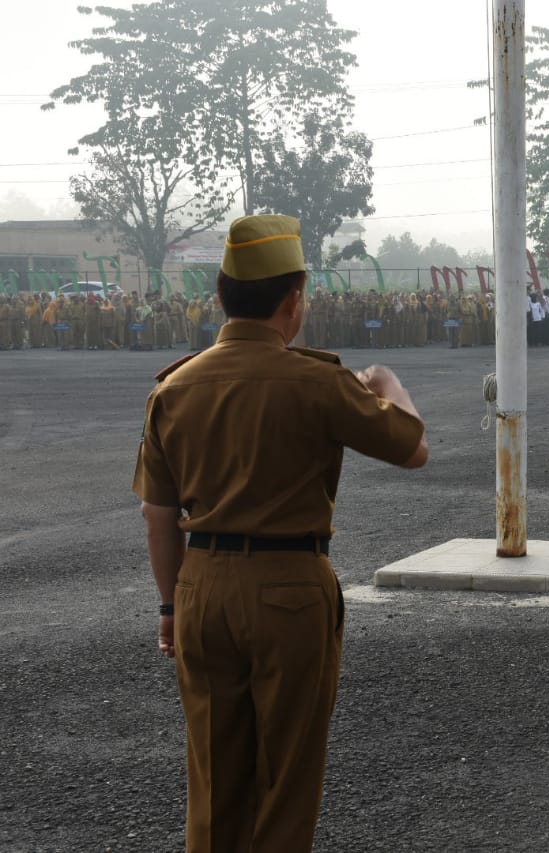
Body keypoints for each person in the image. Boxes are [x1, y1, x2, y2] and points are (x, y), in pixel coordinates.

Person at [132, 214, 429, 852]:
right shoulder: (318, 382)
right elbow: (412, 448)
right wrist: (387, 385)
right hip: (290, 588)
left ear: (221, 296)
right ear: (293, 301)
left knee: (214, 778)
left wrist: (168, 607)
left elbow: (159, 513)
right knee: (286, 779)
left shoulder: (174, 388)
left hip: (201, 587)